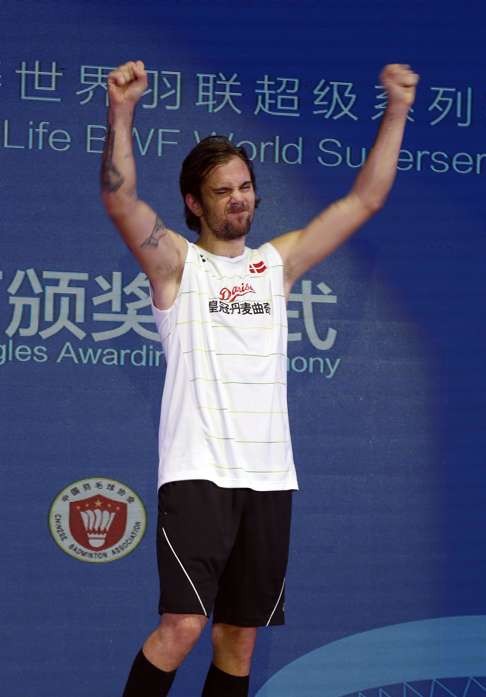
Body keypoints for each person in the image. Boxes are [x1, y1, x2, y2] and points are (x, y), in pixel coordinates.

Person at [101, 59, 418, 697]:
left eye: (245, 186)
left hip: (270, 479)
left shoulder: (276, 265)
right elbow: (120, 199)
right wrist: (121, 110)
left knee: (238, 640)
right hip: (198, 474)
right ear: (195, 202)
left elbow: (366, 199)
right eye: (224, 190)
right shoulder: (175, 266)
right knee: (183, 626)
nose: (240, 198)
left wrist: (398, 110)